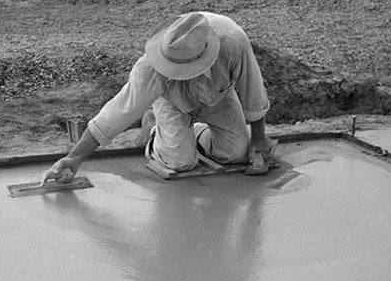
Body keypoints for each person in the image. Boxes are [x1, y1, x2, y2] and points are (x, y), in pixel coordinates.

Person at [43, 11, 273, 184]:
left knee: (236, 154)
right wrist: (74, 159)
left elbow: (252, 91)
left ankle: (196, 132)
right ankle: (154, 129)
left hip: (217, 96)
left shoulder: (233, 42)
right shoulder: (150, 68)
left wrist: (259, 138)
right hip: (172, 101)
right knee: (181, 162)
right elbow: (116, 113)